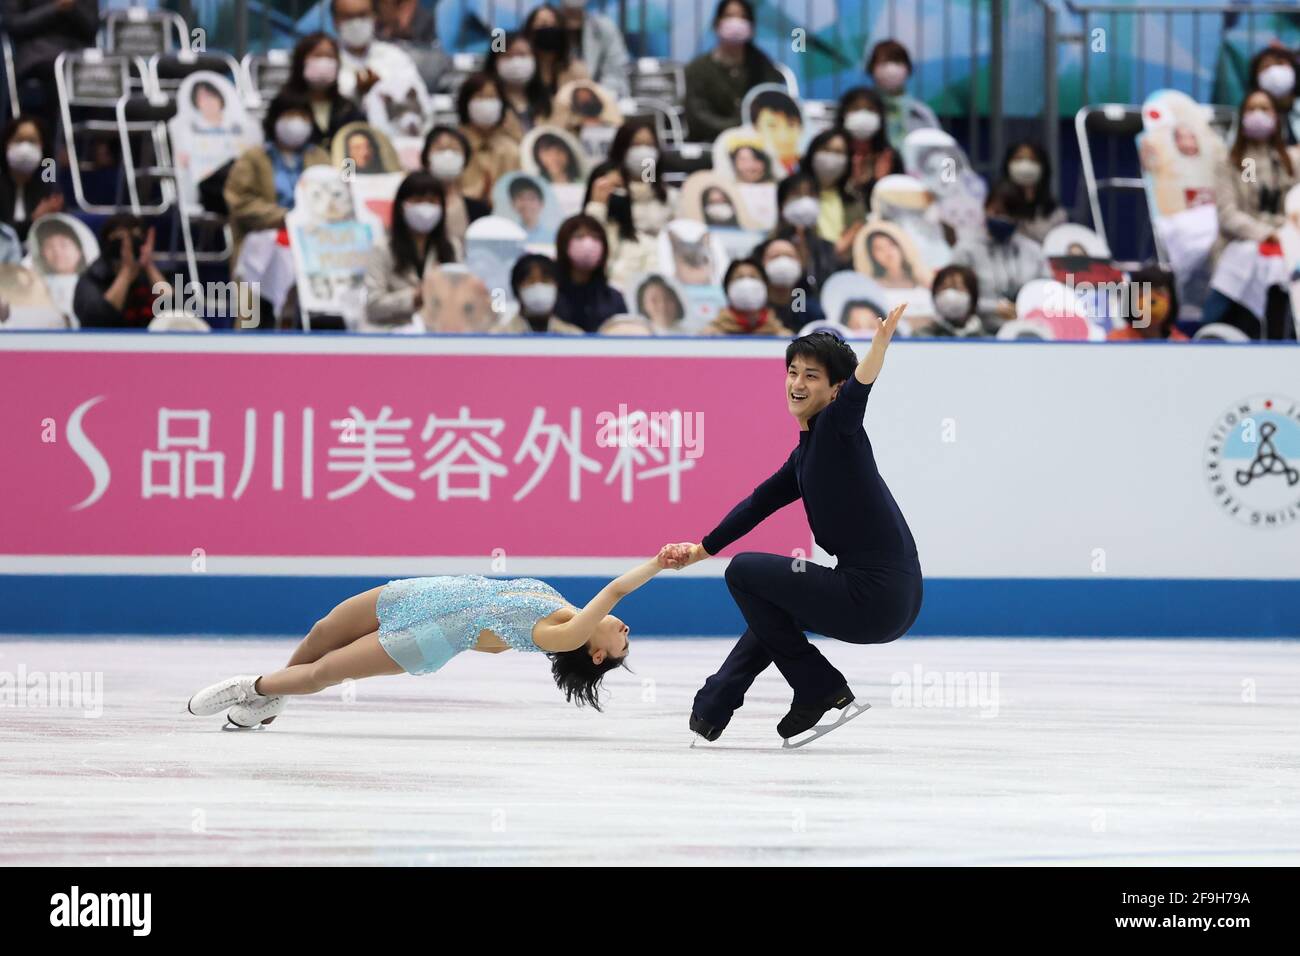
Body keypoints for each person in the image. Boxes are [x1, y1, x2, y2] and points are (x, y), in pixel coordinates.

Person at [673, 310, 923, 744]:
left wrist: (878, 348)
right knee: (772, 603)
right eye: (792, 373)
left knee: (744, 572)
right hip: (887, 599)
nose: (797, 384)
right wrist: (700, 549)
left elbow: (860, 389)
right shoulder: (804, 456)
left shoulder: (836, 431)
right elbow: (757, 504)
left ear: (834, 389)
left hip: (875, 596)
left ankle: (818, 685)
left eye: (811, 376)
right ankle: (716, 703)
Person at [186, 546, 694, 729]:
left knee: (324, 672)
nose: (627, 633)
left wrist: (658, 563)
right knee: (324, 631)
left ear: (596, 652)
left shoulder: (565, 636)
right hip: (420, 594)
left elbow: (615, 592)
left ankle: (250, 689)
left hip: (429, 637)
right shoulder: (561, 603)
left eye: (623, 645)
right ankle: (273, 699)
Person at [1204, 89, 1300, 339]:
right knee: (1250, 263)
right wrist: (1265, 234)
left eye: (1265, 109)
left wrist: (1284, 232)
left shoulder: (1291, 160)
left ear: (1276, 117)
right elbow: (1231, 215)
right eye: (1252, 109)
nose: (1259, 115)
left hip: (1287, 243)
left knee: (1283, 268)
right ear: (1243, 116)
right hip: (1241, 243)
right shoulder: (1235, 162)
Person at [224, 91, 331, 295]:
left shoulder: (321, 158)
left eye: (303, 117)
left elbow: (337, 197)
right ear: (275, 119)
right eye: (290, 115)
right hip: (264, 238)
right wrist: (286, 218)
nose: (297, 122)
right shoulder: (253, 158)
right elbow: (240, 202)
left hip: (314, 240)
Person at [584, 119, 676, 286]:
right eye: (636, 144)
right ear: (622, 149)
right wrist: (599, 202)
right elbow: (592, 234)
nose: (644, 152)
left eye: (649, 145)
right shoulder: (611, 188)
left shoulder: (668, 196)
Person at [952, 181, 1050, 331]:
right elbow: (955, 297)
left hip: (1027, 331)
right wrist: (992, 308)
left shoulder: (1034, 251)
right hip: (978, 332)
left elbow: (1047, 293)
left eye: (1010, 214)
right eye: (998, 212)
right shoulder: (966, 249)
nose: (1003, 218)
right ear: (986, 208)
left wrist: (1027, 308)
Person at [364, 172, 458, 326]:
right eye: (418, 200)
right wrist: (414, 297)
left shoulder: (452, 247)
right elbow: (373, 306)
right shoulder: (383, 249)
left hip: (439, 335)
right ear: (402, 206)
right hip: (396, 336)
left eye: (432, 201)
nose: (425, 208)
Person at [684, 0, 784, 143]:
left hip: (756, 142)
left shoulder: (762, 64)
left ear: (752, 27)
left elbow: (774, 102)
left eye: (743, 17)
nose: (736, 22)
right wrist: (734, 131)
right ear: (717, 24)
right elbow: (697, 116)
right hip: (710, 142)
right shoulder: (697, 69)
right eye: (729, 16)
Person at [72, 215, 172, 328]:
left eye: (135, 237)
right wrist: (126, 272)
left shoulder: (153, 276)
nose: (127, 246)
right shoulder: (92, 279)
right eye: (120, 238)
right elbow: (96, 320)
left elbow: (180, 312)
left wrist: (149, 265)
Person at [1, 0, 97, 114]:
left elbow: (92, 27)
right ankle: (58, 129)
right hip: (37, 54)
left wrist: (73, 8)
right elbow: (14, 24)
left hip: (78, 55)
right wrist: (55, 8)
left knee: (107, 73)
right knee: (59, 73)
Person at [330, 0, 428, 102]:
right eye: (348, 17)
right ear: (335, 21)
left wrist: (380, 88)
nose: (356, 23)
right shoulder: (329, 59)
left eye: (362, 15)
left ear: (374, 16)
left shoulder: (395, 57)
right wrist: (356, 92)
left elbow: (419, 98)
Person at [282, 32, 365, 147]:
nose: (323, 61)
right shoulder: (284, 106)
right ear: (301, 61)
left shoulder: (348, 109)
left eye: (329, 56)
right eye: (317, 55)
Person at [553, 213, 627, 332]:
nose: (588, 244)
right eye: (579, 236)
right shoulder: (552, 298)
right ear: (564, 244)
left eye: (595, 237)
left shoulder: (613, 299)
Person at [772, 171, 843, 290]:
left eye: (810, 195)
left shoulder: (827, 249)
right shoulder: (767, 249)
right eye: (797, 195)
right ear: (781, 205)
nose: (805, 202)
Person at [801, 128, 865, 259]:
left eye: (838, 152)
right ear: (813, 153)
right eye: (826, 149)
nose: (831, 157)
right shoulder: (794, 195)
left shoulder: (854, 201)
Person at [422, 125, 489, 250]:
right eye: (440, 149)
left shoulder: (478, 209)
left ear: (464, 160)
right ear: (426, 157)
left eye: (454, 149)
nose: (448, 155)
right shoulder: (414, 206)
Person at [836, 87, 902, 213]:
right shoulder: (834, 152)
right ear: (843, 114)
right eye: (855, 108)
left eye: (870, 109)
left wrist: (879, 182)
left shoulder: (890, 157)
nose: (863, 115)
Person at [456, 73, 521, 201]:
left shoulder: (511, 149)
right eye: (480, 97)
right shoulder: (454, 145)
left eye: (492, 97)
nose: (486, 103)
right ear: (466, 102)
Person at [865, 39, 939, 145]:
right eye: (883, 62)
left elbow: (937, 151)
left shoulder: (921, 114)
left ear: (908, 69)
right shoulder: (863, 110)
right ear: (871, 69)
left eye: (897, 62)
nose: (890, 68)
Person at [0, 117, 62, 242]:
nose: (25, 148)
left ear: (42, 147)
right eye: (19, 140)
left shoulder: (48, 190)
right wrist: (34, 220)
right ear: (6, 144)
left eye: (32, 141)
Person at [557, 0, 630, 96]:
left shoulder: (604, 28)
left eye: (575, 12)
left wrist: (592, 95)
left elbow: (616, 74)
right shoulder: (548, 26)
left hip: (599, 99)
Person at [487, 32, 552, 142]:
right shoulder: (488, 102)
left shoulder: (549, 101)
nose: (515, 61)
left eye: (522, 55)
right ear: (495, 61)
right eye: (508, 55)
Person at [997, 142, 1066, 244]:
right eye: (1018, 158)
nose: (1025, 165)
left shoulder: (1056, 214)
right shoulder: (996, 207)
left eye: (1032, 159)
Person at [498, 253, 584, 333]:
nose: (538, 286)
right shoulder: (500, 336)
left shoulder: (574, 336)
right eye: (530, 281)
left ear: (556, 286)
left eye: (545, 280)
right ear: (517, 288)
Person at [757, 237, 826, 332]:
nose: (783, 262)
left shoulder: (811, 311)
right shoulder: (754, 309)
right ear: (763, 263)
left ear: (799, 263)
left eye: (789, 256)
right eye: (775, 256)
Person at [703, 258, 786, 336]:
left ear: (766, 287)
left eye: (753, 277)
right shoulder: (710, 335)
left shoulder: (783, 337)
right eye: (739, 278)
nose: (747, 283)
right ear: (727, 289)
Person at [524, 4, 590, 98]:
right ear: (530, 32)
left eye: (554, 25)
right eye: (543, 25)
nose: (549, 29)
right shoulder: (522, 70)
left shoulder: (578, 71)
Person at [1108, 265, 1188, 341]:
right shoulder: (1117, 341)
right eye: (1143, 294)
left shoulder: (1181, 343)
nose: (1151, 300)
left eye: (1159, 293)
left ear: (1171, 301)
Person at [1247, 44, 1300, 145]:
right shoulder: (1253, 117)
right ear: (1257, 78)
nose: (1274, 71)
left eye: (1279, 63)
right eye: (1266, 67)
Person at [928, 264, 984, 337]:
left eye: (957, 287)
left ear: (972, 294)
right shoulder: (921, 337)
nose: (949, 294)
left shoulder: (985, 339)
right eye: (944, 288)